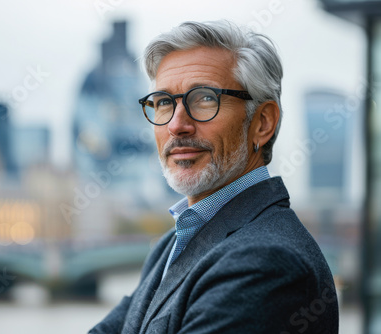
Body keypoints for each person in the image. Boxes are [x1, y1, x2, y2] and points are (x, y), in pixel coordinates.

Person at [89, 20, 339, 334]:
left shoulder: (266, 263)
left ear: (262, 122)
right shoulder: (171, 245)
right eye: (165, 102)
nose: (177, 125)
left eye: (205, 98)